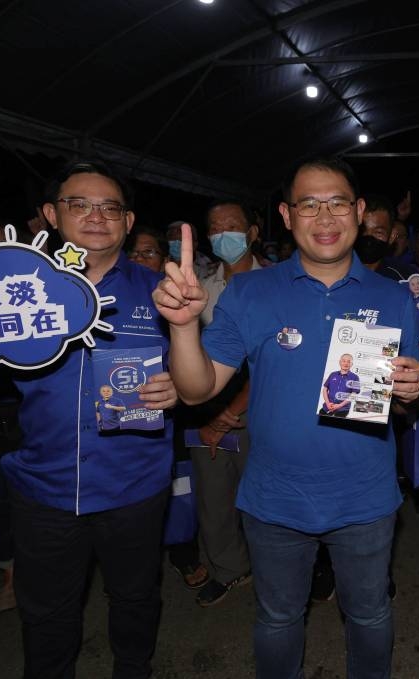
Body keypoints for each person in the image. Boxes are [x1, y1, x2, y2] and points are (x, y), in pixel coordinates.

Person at [152, 156, 419, 679]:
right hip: (274, 498)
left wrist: (411, 389)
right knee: (278, 617)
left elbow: (405, 391)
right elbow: (196, 388)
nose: (325, 216)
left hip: (365, 497)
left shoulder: (392, 297)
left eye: (338, 202)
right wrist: (184, 327)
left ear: (359, 211)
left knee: (369, 615)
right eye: (308, 204)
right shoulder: (252, 292)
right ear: (286, 214)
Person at [0, 159, 179, 678]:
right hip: (43, 486)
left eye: (110, 207)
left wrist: (177, 390)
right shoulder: (19, 289)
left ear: (128, 219)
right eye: (79, 204)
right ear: (51, 214)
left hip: (135, 486)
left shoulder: (162, 290)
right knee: (46, 617)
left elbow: (195, 377)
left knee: (136, 600)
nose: (96, 216)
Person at [182, 199, 261, 606]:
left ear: (252, 233)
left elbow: (268, 361)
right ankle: (229, 569)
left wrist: (231, 414)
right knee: (213, 498)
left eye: (233, 225)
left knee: (265, 499)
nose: (223, 233)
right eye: (215, 227)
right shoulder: (196, 285)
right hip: (203, 410)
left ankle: (279, 568)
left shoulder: (279, 283)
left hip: (260, 412)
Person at [319, 353, 361, 417]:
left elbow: (353, 395)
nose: (346, 363)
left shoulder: (355, 377)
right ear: (340, 362)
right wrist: (327, 403)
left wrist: (339, 405)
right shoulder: (333, 374)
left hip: (342, 409)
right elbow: (325, 389)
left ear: (351, 364)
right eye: (343, 361)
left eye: (348, 362)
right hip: (328, 406)